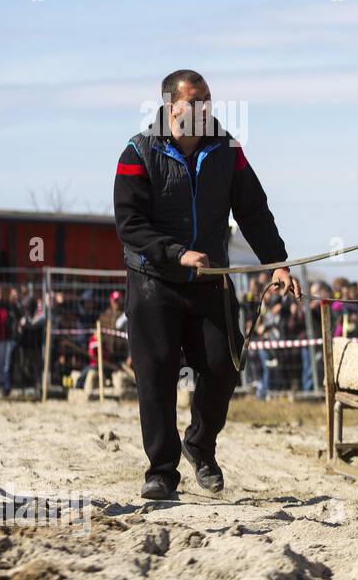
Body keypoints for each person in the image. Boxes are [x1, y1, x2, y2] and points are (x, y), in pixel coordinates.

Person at [114, 69, 300, 500]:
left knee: (223, 365)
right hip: (153, 281)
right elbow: (129, 223)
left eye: (208, 100)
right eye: (195, 101)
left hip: (210, 281)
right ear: (170, 107)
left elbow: (253, 209)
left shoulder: (227, 149)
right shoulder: (138, 152)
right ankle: (161, 470)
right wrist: (175, 252)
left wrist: (277, 262)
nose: (204, 108)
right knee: (156, 375)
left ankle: (199, 444)